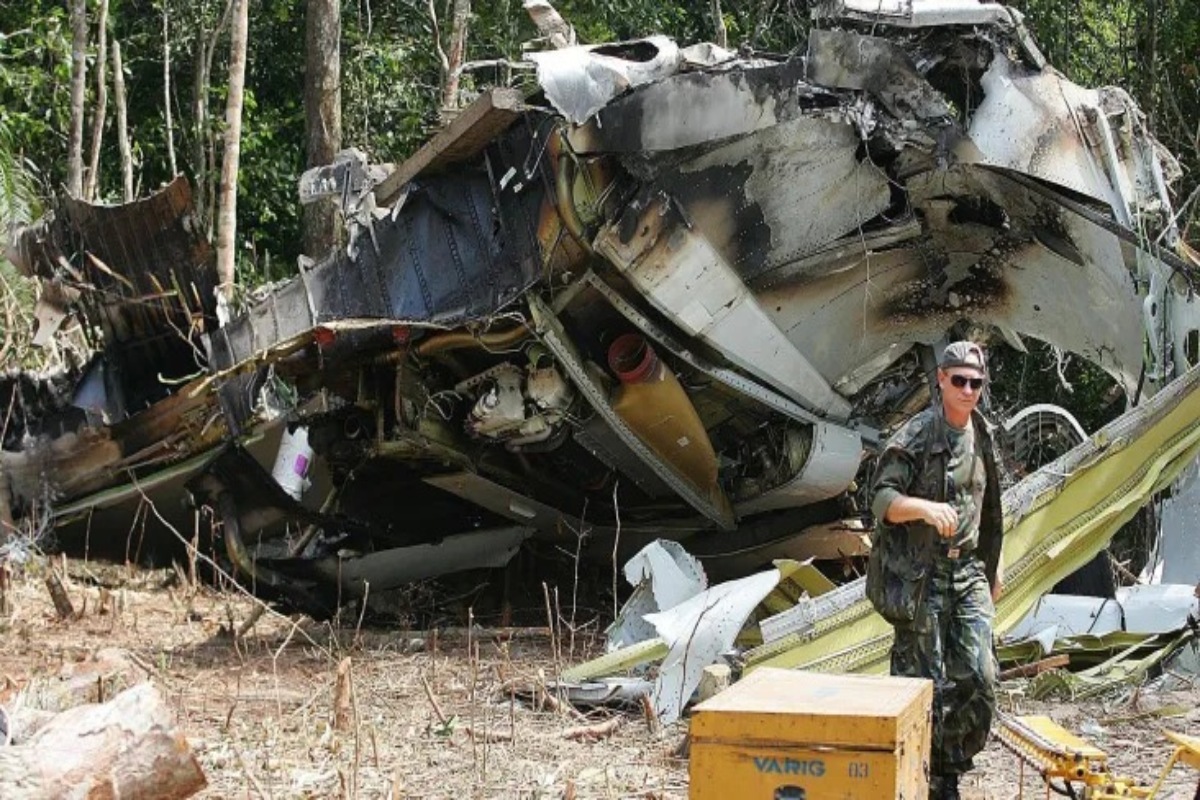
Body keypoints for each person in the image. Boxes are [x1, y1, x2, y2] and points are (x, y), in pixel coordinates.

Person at [868, 341, 1004, 800]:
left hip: (967, 572)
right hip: (922, 574)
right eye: (960, 380)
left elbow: (992, 510)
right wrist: (923, 508)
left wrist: (992, 568)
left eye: (976, 383)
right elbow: (882, 501)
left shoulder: (982, 433)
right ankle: (922, 778)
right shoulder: (917, 435)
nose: (968, 390)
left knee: (979, 677)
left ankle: (949, 769)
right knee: (920, 681)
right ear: (942, 380)